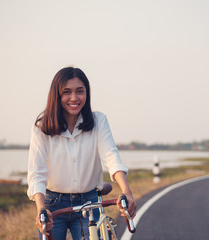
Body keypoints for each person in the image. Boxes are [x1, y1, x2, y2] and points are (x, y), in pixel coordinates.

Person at [27, 66, 136, 240]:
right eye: (67, 92)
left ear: (87, 93)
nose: (74, 98)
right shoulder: (41, 127)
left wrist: (127, 192)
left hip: (89, 202)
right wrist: (41, 209)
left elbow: (111, 157)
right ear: (56, 95)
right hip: (52, 204)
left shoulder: (98, 121)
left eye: (80, 91)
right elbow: (37, 174)